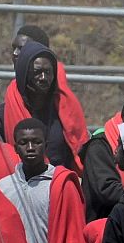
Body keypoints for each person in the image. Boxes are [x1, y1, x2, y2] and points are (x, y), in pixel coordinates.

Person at [5, 38, 88, 172]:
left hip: (62, 180)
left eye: (48, 72)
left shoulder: (62, 107)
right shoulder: (8, 111)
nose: (43, 78)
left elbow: (78, 149)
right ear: (25, 73)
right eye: (37, 72)